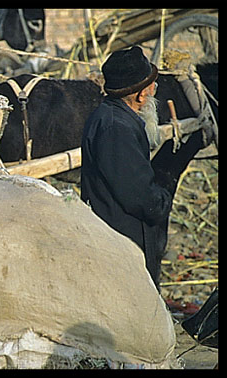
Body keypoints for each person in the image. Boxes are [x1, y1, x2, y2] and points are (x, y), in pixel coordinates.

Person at [80, 46, 173, 289]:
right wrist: (163, 198)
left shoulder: (113, 116)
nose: (154, 91)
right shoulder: (115, 128)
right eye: (152, 85)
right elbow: (139, 196)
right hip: (121, 244)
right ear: (141, 95)